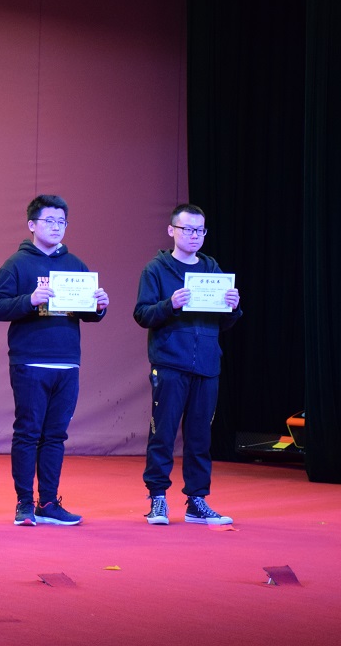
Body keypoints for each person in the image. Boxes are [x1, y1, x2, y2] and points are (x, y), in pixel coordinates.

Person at [0, 194, 108, 527]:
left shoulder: (76, 265)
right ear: (31, 224)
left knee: (56, 435)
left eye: (61, 222)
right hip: (30, 361)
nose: (56, 227)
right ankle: (24, 503)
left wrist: (99, 306)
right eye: (49, 221)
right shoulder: (16, 264)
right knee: (28, 432)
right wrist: (30, 299)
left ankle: (50, 503)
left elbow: (88, 313)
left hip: (68, 362)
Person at [133, 203, 242, 525]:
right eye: (187, 229)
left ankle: (197, 500)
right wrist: (170, 305)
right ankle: (157, 498)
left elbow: (224, 322)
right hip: (170, 364)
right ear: (172, 231)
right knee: (163, 434)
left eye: (200, 230)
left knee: (200, 438)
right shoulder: (156, 269)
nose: (194, 235)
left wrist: (233, 308)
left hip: (207, 365)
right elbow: (142, 314)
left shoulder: (212, 269)